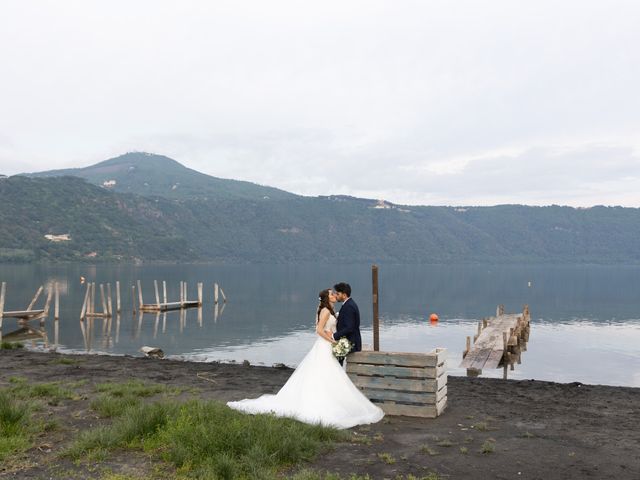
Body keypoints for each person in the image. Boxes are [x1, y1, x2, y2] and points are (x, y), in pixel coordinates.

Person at [226, 288, 384, 429]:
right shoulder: (325, 311)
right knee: (324, 373)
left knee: (328, 374)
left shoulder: (329, 309)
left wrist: (334, 336)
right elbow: (318, 330)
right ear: (327, 298)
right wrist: (332, 340)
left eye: (335, 293)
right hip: (324, 346)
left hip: (327, 345)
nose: (335, 295)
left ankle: (329, 399)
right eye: (332, 294)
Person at [332, 282, 361, 364]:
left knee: (336, 364)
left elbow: (349, 328)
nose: (336, 295)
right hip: (346, 342)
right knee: (336, 364)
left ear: (344, 295)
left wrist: (334, 336)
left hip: (350, 343)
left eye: (338, 294)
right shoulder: (348, 304)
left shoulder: (349, 306)